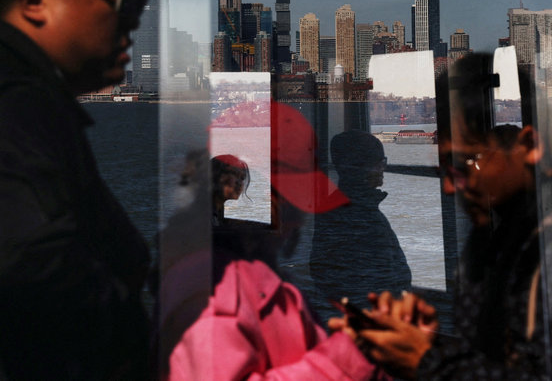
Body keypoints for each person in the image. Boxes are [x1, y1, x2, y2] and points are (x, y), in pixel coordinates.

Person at [344, 53, 552, 379]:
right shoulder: (501, 232)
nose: (450, 186)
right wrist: (429, 340)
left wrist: (428, 360)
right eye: (445, 168)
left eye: (467, 163)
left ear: (529, 146)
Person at [0, 0, 152, 378]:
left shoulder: (34, 100)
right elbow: (27, 262)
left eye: (141, 0)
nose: (134, 21)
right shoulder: (16, 101)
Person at [162, 102, 389, 380]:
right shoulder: (214, 295)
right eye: (293, 197)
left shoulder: (267, 287)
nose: (301, 217)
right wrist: (346, 357)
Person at [311, 129, 411, 323]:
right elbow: (378, 282)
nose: (383, 168)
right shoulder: (363, 217)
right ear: (361, 168)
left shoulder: (334, 211)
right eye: (380, 163)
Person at [211, 154, 250, 226]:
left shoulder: (217, 208)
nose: (239, 183)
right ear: (215, 176)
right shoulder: (203, 213)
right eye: (234, 174)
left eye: (242, 178)